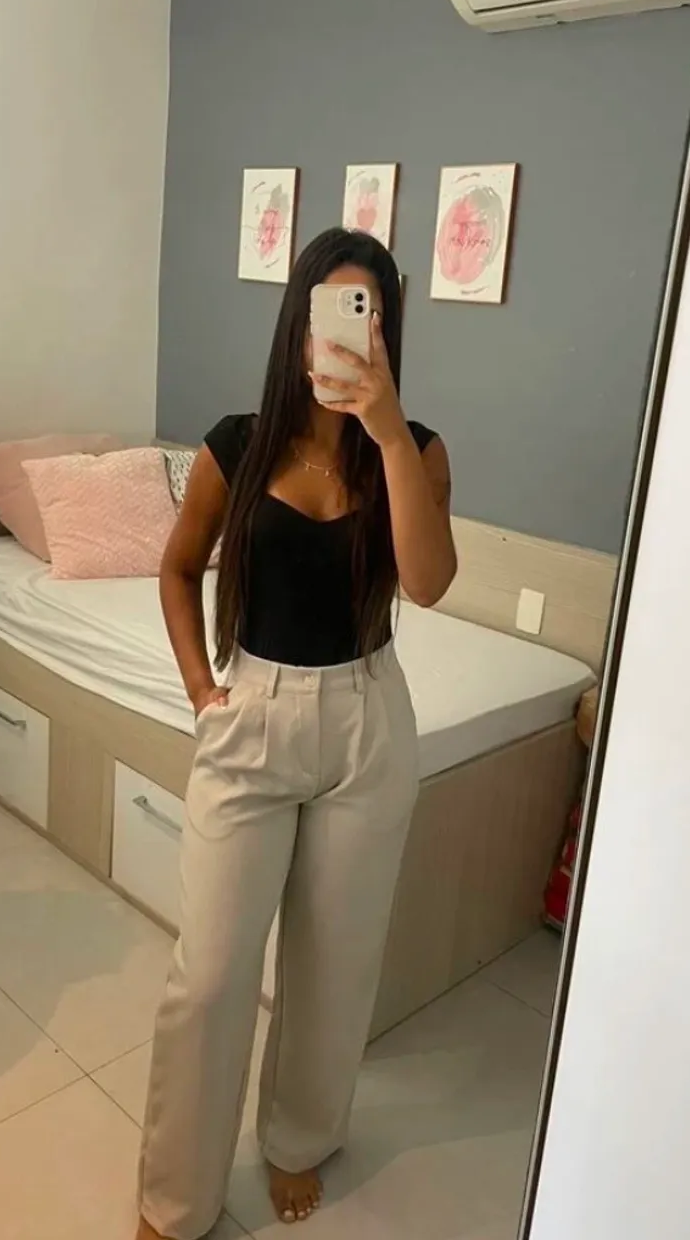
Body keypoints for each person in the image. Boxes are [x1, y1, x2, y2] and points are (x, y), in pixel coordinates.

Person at [136, 227, 457, 1239]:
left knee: (334, 965)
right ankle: (174, 1196)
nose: (347, 336)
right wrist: (201, 688)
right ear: (300, 324)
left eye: (369, 315)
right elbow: (176, 567)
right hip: (253, 715)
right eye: (332, 312)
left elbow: (429, 582)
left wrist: (389, 432)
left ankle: (297, 1140)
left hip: (367, 722)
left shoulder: (418, 449)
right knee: (210, 976)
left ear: (387, 332)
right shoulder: (237, 445)